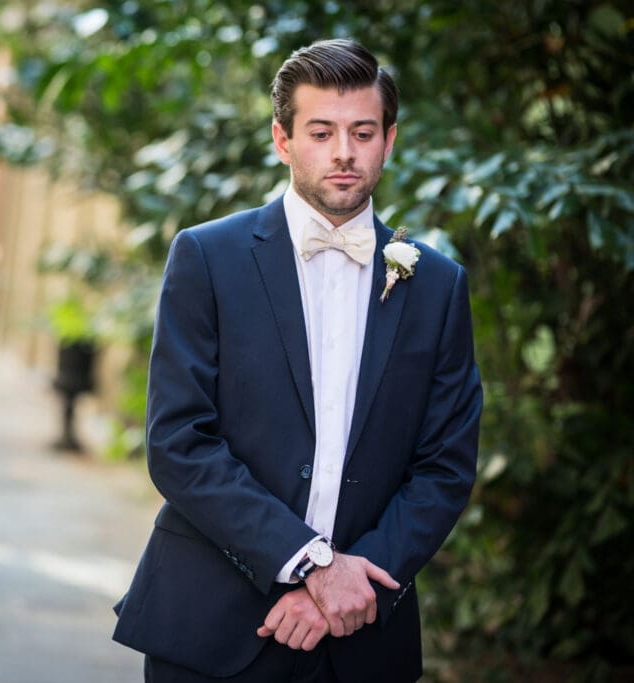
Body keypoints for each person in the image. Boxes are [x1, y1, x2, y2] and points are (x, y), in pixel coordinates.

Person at [112, 39, 482, 683]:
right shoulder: (207, 257)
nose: (344, 152)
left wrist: (352, 587)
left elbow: (445, 467)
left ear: (389, 141)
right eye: (321, 131)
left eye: (363, 132)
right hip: (210, 626)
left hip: (362, 638)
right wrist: (312, 566)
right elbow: (178, 442)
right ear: (282, 140)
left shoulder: (438, 285)